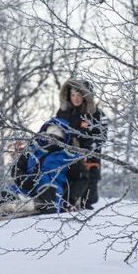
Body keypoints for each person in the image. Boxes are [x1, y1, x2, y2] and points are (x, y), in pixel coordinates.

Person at [0, 117, 84, 215]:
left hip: (51, 188)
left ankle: (28, 207)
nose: (51, 140)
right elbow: (17, 167)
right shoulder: (32, 149)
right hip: (27, 186)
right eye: (49, 136)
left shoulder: (69, 156)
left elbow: (82, 178)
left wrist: (71, 198)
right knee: (5, 193)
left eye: (56, 138)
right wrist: (23, 179)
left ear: (63, 139)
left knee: (48, 192)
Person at [55, 79, 108, 209]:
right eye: (73, 95)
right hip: (65, 159)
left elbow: (101, 137)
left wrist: (86, 149)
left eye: (79, 95)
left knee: (88, 200)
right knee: (65, 196)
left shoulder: (97, 114)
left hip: (89, 160)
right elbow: (55, 131)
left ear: (85, 96)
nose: (76, 98)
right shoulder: (63, 113)